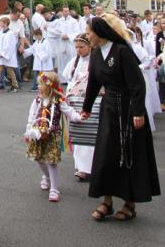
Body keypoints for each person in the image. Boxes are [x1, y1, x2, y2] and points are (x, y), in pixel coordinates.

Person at [82, 14, 160, 221]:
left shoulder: (122, 52)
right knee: (106, 154)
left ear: (99, 32)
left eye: (89, 32)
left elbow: (137, 85)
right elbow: (93, 83)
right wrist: (86, 107)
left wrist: (137, 113)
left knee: (128, 155)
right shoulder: (97, 54)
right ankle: (106, 201)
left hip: (127, 110)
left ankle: (129, 203)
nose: (87, 35)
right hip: (109, 110)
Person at [24, 71, 81, 203]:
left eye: (40, 84)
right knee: (38, 158)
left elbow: (70, 112)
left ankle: (54, 189)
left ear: (49, 86)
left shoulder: (58, 101)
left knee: (51, 161)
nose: (38, 87)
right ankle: (47, 176)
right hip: (37, 133)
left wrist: (79, 117)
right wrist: (28, 131)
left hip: (53, 135)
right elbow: (31, 116)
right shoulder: (37, 100)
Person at [62, 34, 94, 180]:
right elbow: (68, 79)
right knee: (78, 134)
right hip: (76, 102)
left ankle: (90, 167)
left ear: (90, 46)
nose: (78, 50)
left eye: (82, 47)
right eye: (76, 47)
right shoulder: (74, 62)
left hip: (91, 102)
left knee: (90, 135)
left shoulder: (94, 61)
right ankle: (81, 166)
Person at [0, 16, 19, 93]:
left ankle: (15, 85)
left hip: (7, 55)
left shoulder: (10, 33)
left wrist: (3, 54)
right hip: (1, 54)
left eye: (2, 23)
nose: (0, 24)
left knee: (10, 70)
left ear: (6, 23)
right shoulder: (1, 32)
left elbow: (10, 46)